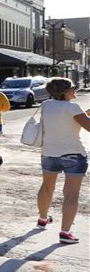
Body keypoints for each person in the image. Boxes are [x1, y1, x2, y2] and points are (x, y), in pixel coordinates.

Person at [36, 78, 89, 244]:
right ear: (64, 91)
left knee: (46, 187)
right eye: (73, 87)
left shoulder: (46, 105)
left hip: (49, 153)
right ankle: (65, 233)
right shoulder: (73, 107)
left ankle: (43, 219)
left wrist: (85, 114)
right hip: (73, 154)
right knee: (71, 194)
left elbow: (63, 119)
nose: (75, 90)